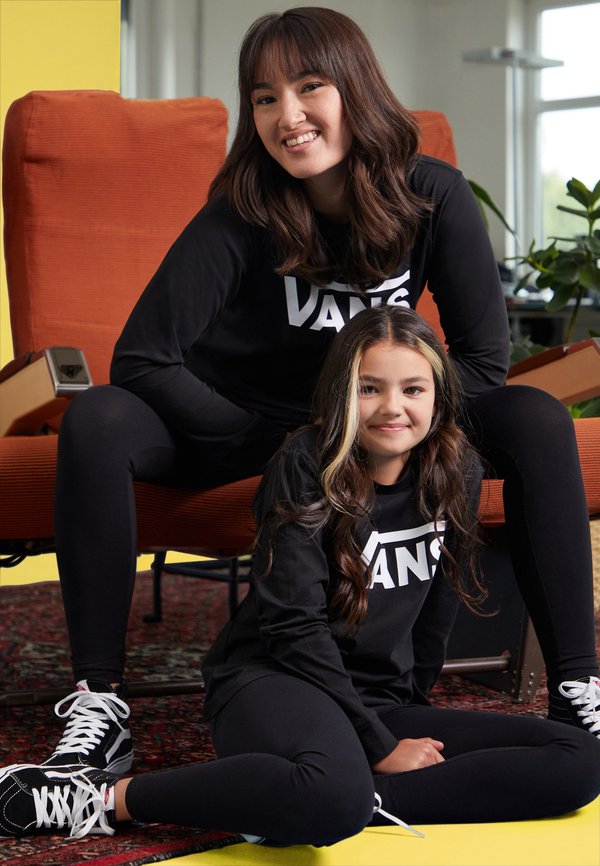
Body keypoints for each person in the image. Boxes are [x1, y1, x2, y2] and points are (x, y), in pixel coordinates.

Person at [25, 4, 600, 778]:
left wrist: (388, 424)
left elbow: (483, 361)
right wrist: (288, 441)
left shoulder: (431, 195)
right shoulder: (242, 212)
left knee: (532, 417)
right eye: (264, 98)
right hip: (246, 431)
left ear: (355, 88)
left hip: (373, 425)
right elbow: (143, 358)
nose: (286, 115)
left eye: (308, 87)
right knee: (98, 418)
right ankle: (100, 706)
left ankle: (577, 689)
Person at [2, 306, 599, 842]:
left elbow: (434, 607)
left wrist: (406, 709)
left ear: (439, 399)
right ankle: (102, 800)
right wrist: (380, 746)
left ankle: (328, 802)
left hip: (376, 700)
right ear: (340, 394)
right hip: (274, 681)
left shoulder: (457, 468)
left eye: (413, 389)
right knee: (331, 793)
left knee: (578, 759)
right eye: (369, 388)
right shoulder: (304, 465)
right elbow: (292, 627)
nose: (393, 407)